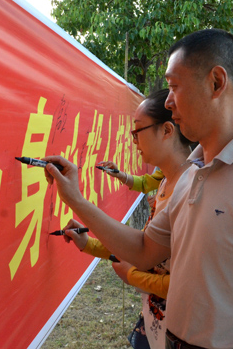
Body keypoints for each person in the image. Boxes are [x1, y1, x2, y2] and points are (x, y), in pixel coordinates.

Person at [43, 29, 233, 349]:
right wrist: (76, 200)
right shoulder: (191, 172)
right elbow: (142, 249)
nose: (168, 101)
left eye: (174, 86)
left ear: (216, 83)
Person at [66, 89, 192, 349]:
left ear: (167, 130)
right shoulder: (167, 182)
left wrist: (132, 275)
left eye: (137, 131)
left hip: (184, 332)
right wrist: (87, 243)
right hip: (156, 319)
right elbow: (143, 246)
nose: (133, 140)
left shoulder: (191, 191)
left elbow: (185, 284)